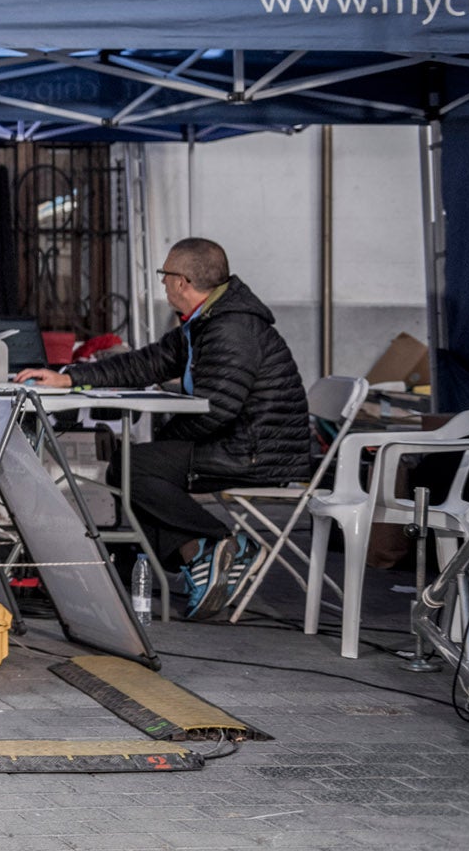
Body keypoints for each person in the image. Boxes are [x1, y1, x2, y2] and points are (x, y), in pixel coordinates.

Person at [17, 237, 302, 620]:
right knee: (134, 466)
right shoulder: (205, 321)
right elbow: (146, 364)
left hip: (257, 451)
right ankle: (198, 553)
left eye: (164, 275)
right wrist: (68, 379)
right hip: (241, 442)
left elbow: (216, 409)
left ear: (182, 281)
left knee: (135, 469)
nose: (163, 283)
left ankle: (222, 543)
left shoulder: (231, 328)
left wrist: (164, 445)